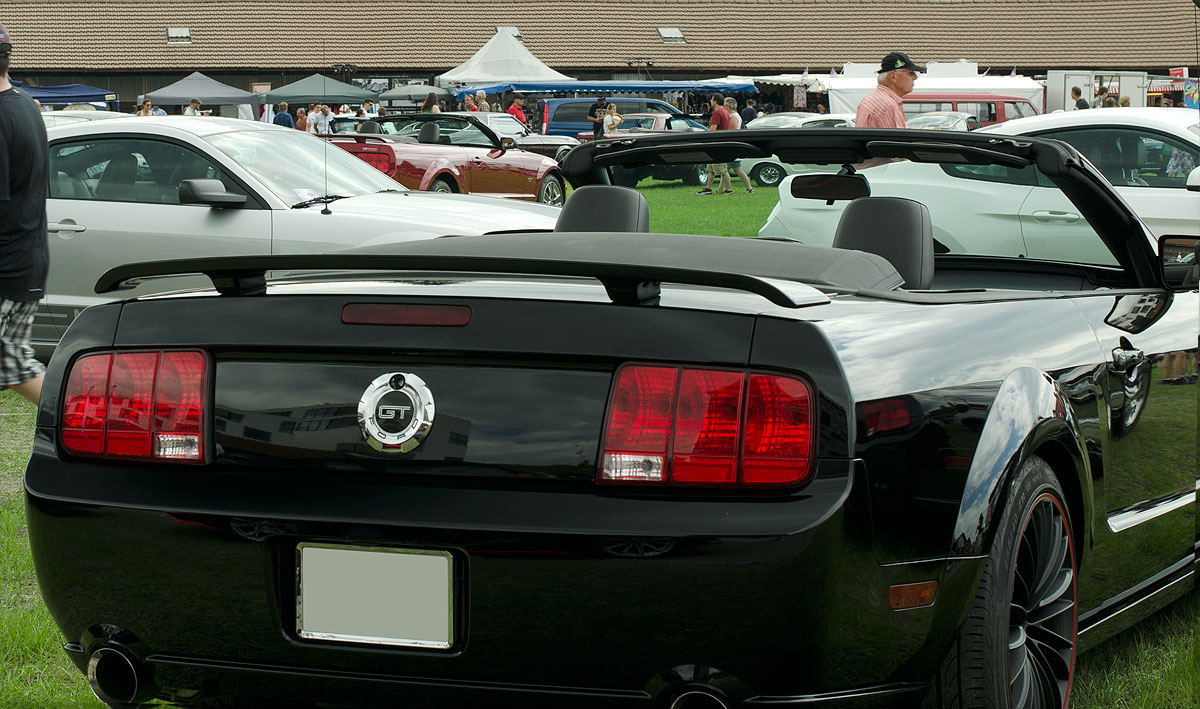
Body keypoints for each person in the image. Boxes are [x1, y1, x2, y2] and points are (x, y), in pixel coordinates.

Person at [0, 24, 49, 404]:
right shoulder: (24, 106)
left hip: (5, 264)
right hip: (25, 260)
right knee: (15, 366)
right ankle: (105, 423)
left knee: (15, 364)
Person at [856, 51, 924, 129]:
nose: (915, 77)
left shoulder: (872, 99)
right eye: (911, 73)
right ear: (893, 76)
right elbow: (896, 140)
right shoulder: (889, 106)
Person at [697, 93, 732, 196]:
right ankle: (708, 188)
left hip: (716, 143)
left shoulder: (717, 113)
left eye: (712, 100)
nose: (710, 102)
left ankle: (729, 189)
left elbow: (713, 129)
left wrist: (705, 138)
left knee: (722, 170)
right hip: (722, 142)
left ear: (715, 101)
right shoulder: (725, 112)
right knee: (711, 169)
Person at [724, 97, 753, 193]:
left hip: (731, 147)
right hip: (732, 146)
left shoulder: (732, 117)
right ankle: (721, 189)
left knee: (735, 169)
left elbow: (730, 131)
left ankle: (749, 188)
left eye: (724, 105)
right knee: (726, 170)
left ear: (728, 106)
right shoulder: (736, 115)